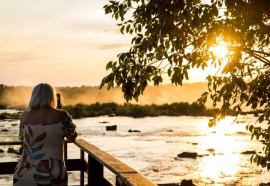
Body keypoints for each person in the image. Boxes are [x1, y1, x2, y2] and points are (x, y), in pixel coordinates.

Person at [13, 83, 77, 186]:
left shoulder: (24, 116)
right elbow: (71, 137)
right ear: (52, 97)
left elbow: (22, 139)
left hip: (23, 172)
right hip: (52, 174)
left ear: (34, 97)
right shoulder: (62, 115)